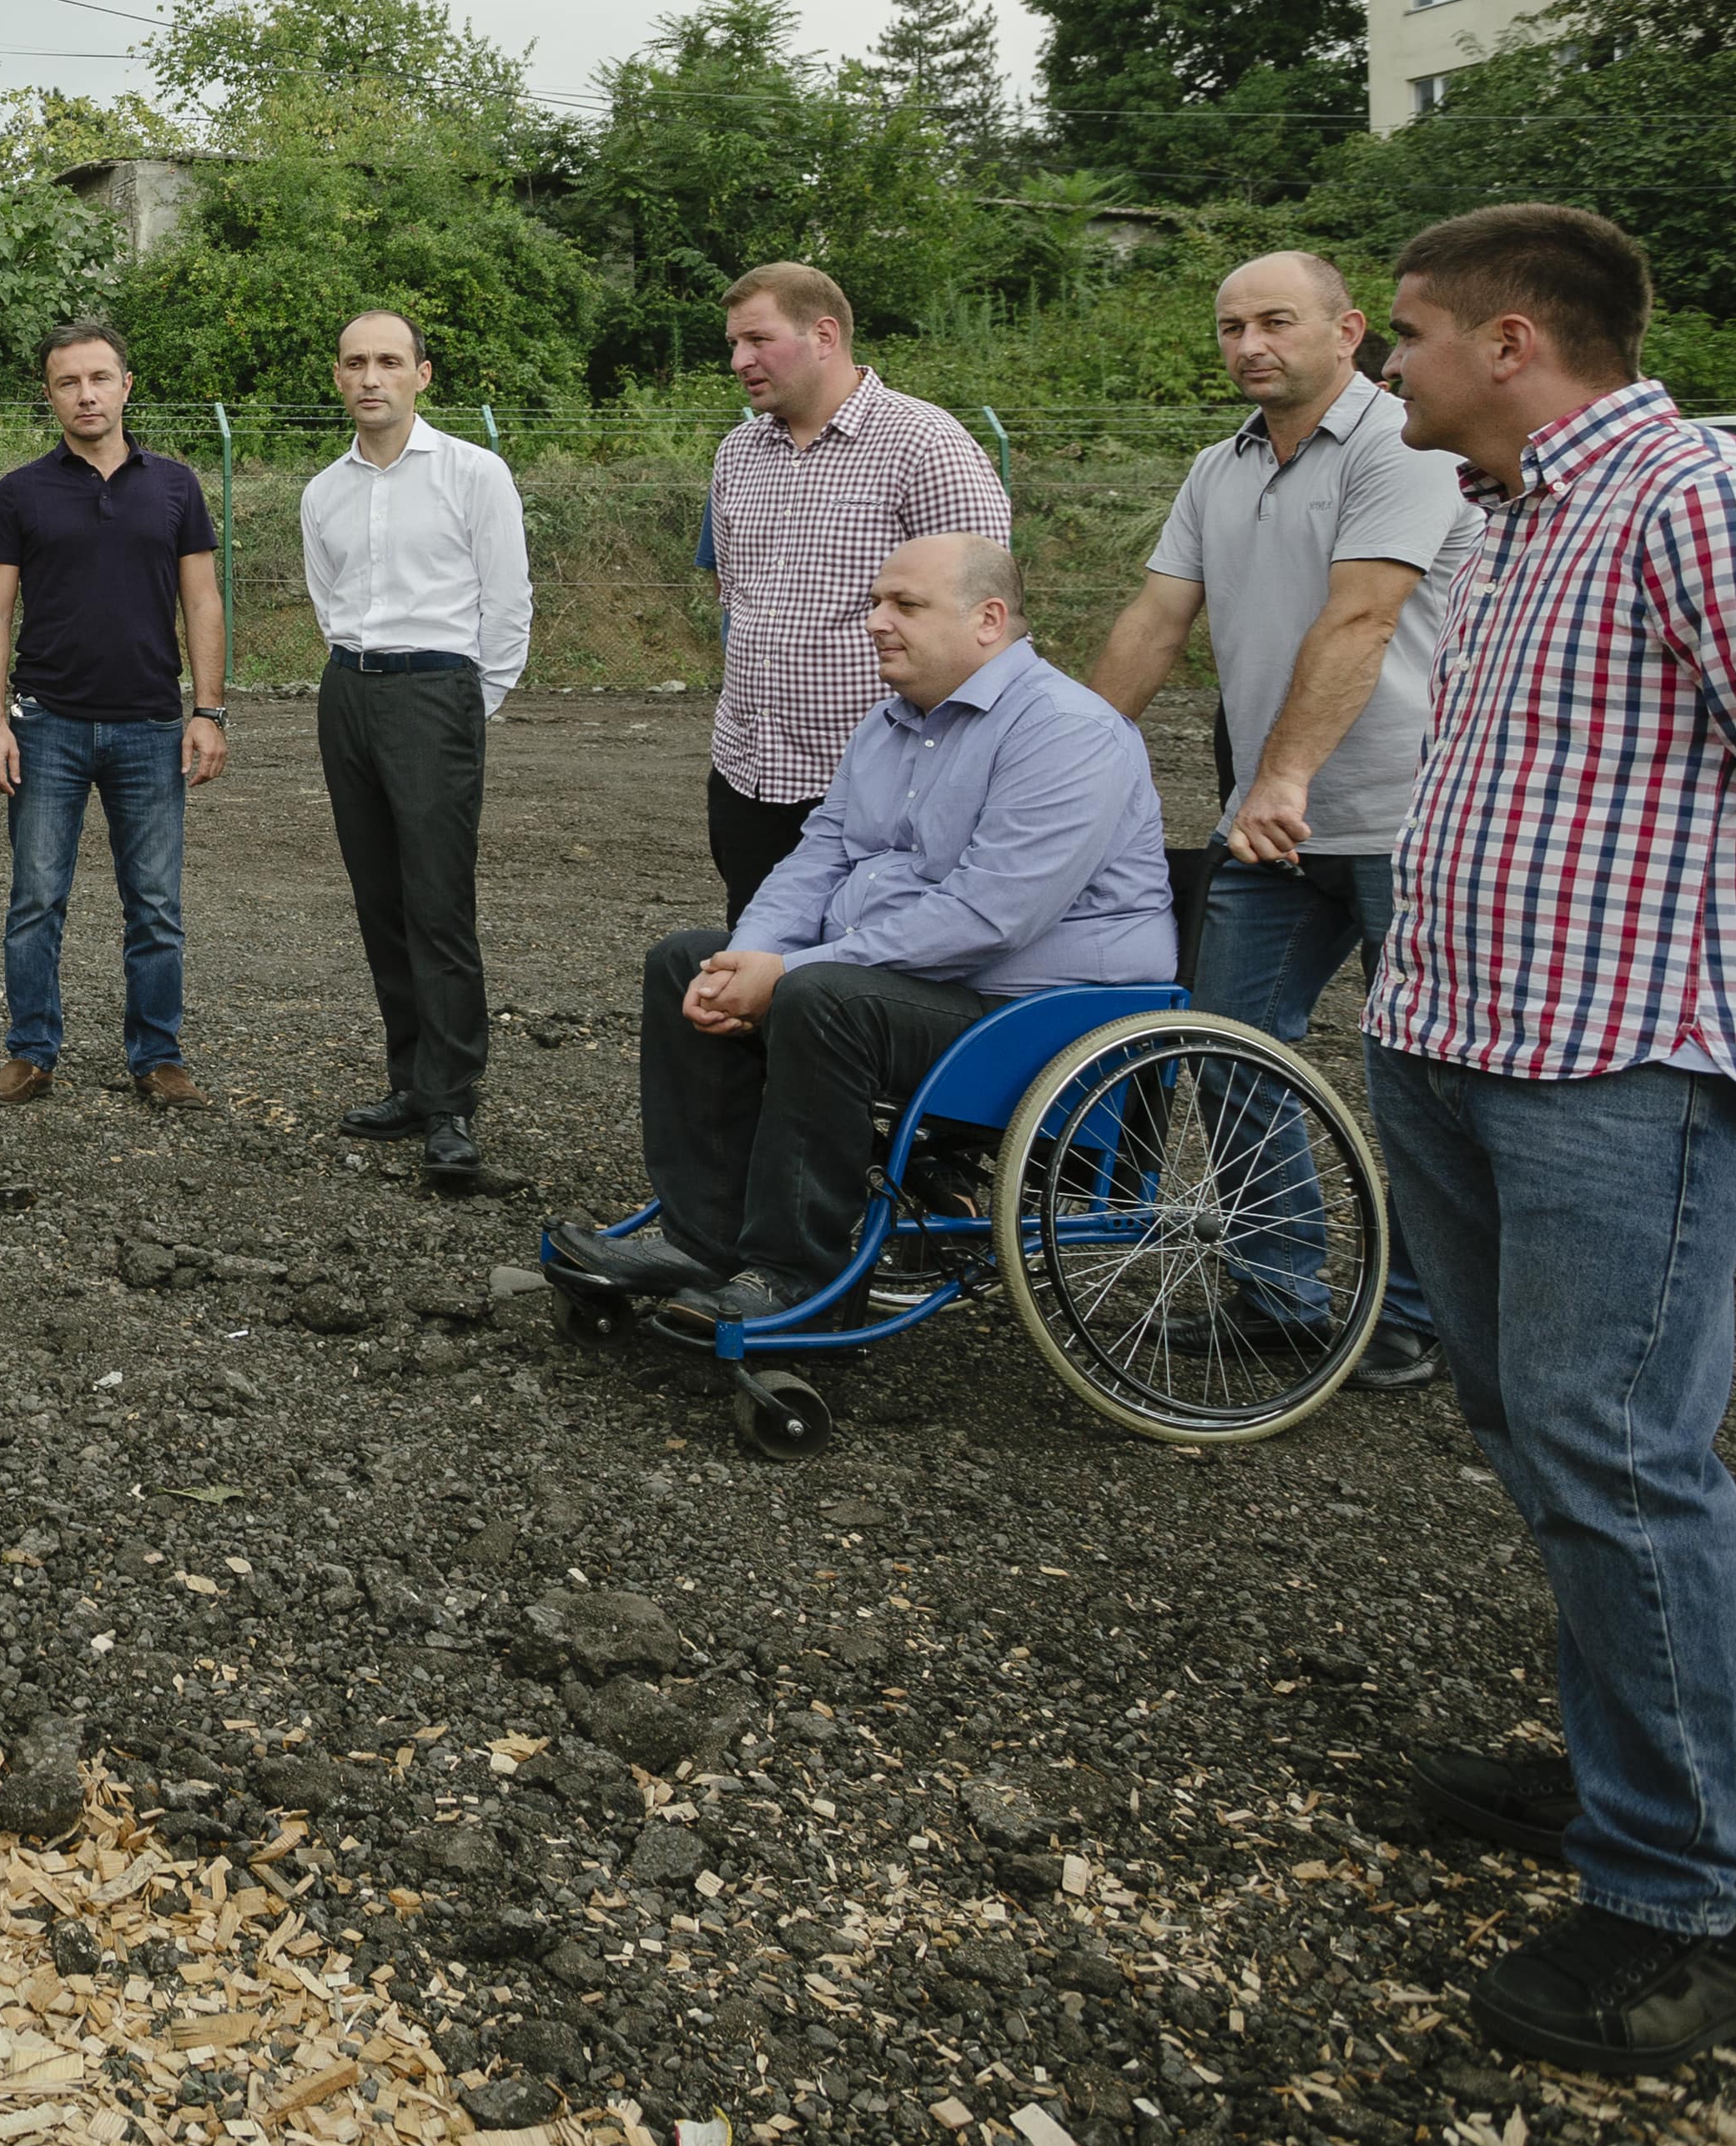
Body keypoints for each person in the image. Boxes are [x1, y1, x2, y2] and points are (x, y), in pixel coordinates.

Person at [1360, 204, 1736, 2073]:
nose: (1385, 362)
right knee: (1545, 1432)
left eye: (1404, 332)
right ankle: (1632, 1763)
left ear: (1513, 343)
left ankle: (1687, 1899)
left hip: (1629, 1071)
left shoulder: (1708, 501)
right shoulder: (1510, 518)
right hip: (1466, 1046)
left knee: (1620, 1457)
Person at [552, 536, 1174, 1327]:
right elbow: (820, 854)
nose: (876, 621)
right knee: (687, 962)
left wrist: (790, 972)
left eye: (904, 605)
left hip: (1041, 1016)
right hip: (918, 988)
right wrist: (750, 956)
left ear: (988, 620)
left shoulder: (1067, 730)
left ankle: (798, 1283)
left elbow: (991, 916)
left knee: (822, 997)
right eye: (875, 603)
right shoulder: (890, 723)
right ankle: (704, 1243)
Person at [1087, 252, 1483, 1392]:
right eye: (1230, 326)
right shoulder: (1219, 468)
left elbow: (1363, 618)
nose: (1249, 344)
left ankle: (1415, 1314)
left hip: (1410, 819)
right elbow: (1156, 620)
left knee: (1425, 1081)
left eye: (1274, 321)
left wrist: (1283, 773)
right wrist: (1062, 757)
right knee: (1225, 1046)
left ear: (1348, 330)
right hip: (1273, 822)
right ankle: (1280, 1295)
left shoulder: (1406, 445)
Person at [298, 309, 531, 1191]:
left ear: (421, 375)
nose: (371, 378)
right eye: (355, 362)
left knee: (437, 902)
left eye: (389, 362)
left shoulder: (474, 473)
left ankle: (451, 1104)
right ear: (338, 376)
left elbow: (507, 602)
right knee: (380, 899)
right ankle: (409, 1081)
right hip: (349, 689)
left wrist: (471, 704)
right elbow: (328, 596)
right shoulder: (324, 491)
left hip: (436, 692)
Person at [703, 263, 1014, 921]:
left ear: (824, 335)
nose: (739, 361)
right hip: (746, 777)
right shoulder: (738, 453)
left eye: (758, 340)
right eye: (733, 343)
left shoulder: (926, 446)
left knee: (858, 967)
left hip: (880, 789)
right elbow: (735, 598)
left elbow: (983, 628)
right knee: (754, 956)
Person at [0, 318, 225, 1108]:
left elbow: (203, 600)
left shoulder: (176, 486)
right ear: (49, 396)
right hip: (46, 726)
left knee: (156, 905)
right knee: (35, 901)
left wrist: (209, 710)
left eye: (99, 378)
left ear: (126, 385)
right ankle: (30, 1053)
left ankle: (158, 1057)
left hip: (151, 727)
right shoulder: (20, 492)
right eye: (68, 382)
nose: (86, 394)